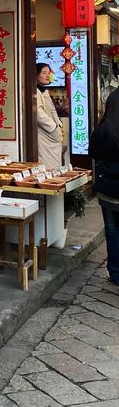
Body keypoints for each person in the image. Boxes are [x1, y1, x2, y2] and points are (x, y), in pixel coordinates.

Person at [89, 88, 119, 286]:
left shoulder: (102, 130)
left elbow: (93, 154)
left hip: (108, 190)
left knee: (112, 230)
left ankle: (116, 273)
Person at [36, 63, 63, 170]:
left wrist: (58, 126)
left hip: (52, 134)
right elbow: (39, 114)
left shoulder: (44, 91)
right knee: (47, 165)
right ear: (36, 75)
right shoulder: (35, 91)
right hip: (45, 135)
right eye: (43, 73)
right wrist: (54, 128)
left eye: (49, 73)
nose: (47, 76)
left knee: (55, 165)